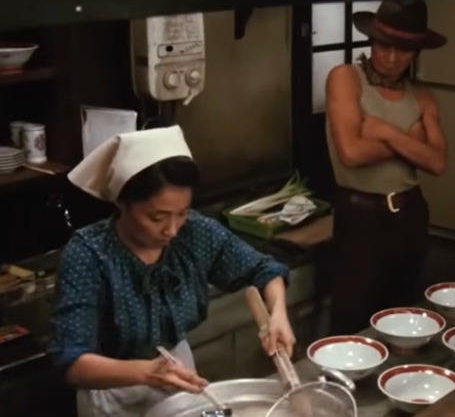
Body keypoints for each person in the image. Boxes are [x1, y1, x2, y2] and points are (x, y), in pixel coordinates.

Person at [48, 125, 296, 417]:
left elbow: (264, 269)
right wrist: (146, 372)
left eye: (182, 213)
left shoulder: (195, 233)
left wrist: (278, 313)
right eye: (157, 217)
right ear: (121, 202)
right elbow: (72, 363)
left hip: (176, 373)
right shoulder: (89, 254)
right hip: (111, 390)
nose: (172, 229)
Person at [325, 0, 449, 336]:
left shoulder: (422, 96)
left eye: (404, 50)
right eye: (384, 46)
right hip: (360, 214)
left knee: (404, 317)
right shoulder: (345, 78)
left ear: (416, 52)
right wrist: (410, 143)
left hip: (410, 213)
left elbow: (437, 161)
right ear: (372, 41)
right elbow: (351, 152)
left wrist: (384, 132)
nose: (392, 58)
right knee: (352, 318)